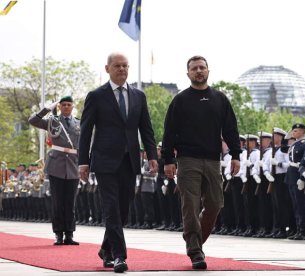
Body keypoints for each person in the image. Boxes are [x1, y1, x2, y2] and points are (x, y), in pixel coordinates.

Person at [78, 52, 157, 273]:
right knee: (111, 207)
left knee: (123, 208)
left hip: (130, 160)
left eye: (125, 66)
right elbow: (86, 131)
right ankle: (119, 256)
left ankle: (105, 249)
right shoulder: (96, 96)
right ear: (107, 68)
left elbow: (146, 129)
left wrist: (152, 155)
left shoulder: (138, 96)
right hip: (104, 161)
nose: (122, 69)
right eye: (117, 66)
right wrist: (83, 162)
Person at [161, 55, 241, 270]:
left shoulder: (220, 99)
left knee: (215, 204)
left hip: (213, 160)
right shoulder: (180, 100)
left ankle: (194, 241)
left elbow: (231, 129)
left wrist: (235, 154)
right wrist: (168, 160)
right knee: (190, 206)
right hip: (187, 161)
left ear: (208, 71)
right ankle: (196, 251)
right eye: (194, 68)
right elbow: (169, 132)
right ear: (188, 73)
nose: (199, 71)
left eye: (202, 67)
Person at [28, 95, 80, 246]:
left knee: (70, 202)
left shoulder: (79, 123)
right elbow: (33, 121)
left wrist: (84, 164)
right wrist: (47, 109)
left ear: (72, 106)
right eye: (63, 104)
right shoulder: (52, 121)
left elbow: (84, 145)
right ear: (59, 106)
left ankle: (69, 234)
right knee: (57, 202)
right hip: (56, 165)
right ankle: (58, 234)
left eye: (68, 104)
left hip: (73, 166)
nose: (66, 107)